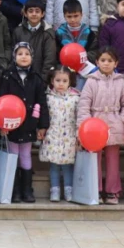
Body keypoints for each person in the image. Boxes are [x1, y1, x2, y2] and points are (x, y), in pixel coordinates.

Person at [77, 47, 124, 205]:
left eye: (110, 61)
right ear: (97, 62)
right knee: (95, 158)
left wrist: (122, 120)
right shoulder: (91, 81)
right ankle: (96, 188)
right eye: (103, 60)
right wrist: (85, 125)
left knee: (113, 159)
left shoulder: (120, 81)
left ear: (116, 63)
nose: (106, 64)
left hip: (114, 124)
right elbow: (84, 105)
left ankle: (112, 191)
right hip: (95, 124)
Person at [0, 42, 48, 203]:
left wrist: (42, 125)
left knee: (25, 155)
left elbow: (42, 101)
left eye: (27, 54)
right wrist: (2, 124)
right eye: (20, 54)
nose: (24, 57)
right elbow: (1, 100)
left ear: (32, 57)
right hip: (11, 123)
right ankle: (14, 190)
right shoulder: (7, 76)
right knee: (13, 155)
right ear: (14, 57)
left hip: (29, 123)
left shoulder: (37, 77)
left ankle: (27, 189)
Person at [39, 66, 79, 203]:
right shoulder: (48, 97)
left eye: (64, 81)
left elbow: (79, 117)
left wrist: (79, 135)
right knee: (54, 164)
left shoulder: (75, 98)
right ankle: (54, 189)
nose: (61, 84)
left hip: (69, 135)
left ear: (70, 82)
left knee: (68, 164)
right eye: (58, 80)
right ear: (52, 80)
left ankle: (69, 189)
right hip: (53, 135)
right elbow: (44, 116)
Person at [12, 0, 58, 74]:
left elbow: (49, 60)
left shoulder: (48, 33)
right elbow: (13, 56)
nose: (34, 14)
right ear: (25, 13)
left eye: (37, 11)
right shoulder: (18, 31)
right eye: (30, 11)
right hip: (20, 77)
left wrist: (43, 81)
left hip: (40, 78)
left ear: (42, 14)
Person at [55, 0, 99, 66]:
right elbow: (56, 54)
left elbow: (94, 53)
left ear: (81, 15)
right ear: (64, 16)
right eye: (69, 16)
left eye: (76, 16)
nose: (73, 20)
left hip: (84, 69)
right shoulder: (58, 34)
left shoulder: (89, 34)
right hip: (65, 69)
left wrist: (80, 57)